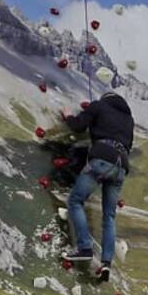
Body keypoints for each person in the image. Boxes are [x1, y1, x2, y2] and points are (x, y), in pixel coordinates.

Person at [55, 91, 134, 282]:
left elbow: (78, 126)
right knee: (109, 215)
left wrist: (68, 117)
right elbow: (129, 145)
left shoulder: (98, 105)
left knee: (75, 201)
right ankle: (106, 264)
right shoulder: (128, 119)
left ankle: (84, 248)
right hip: (121, 165)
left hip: (102, 158)